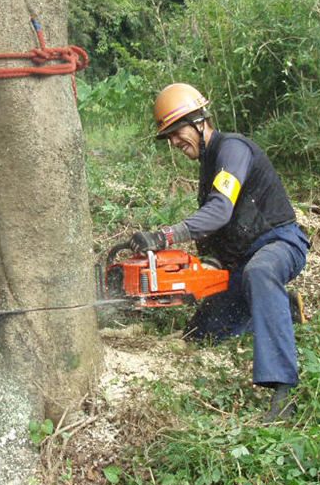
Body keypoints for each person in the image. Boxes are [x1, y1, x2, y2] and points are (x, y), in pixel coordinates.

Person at [129, 83, 309, 421]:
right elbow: (216, 231)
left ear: (199, 122)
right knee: (201, 333)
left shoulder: (233, 151)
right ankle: (281, 307)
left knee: (262, 272)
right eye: (168, 137)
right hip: (239, 262)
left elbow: (219, 211)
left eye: (177, 133)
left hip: (279, 244)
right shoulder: (208, 163)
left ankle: (283, 392)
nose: (174, 143)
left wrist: (167, 235)